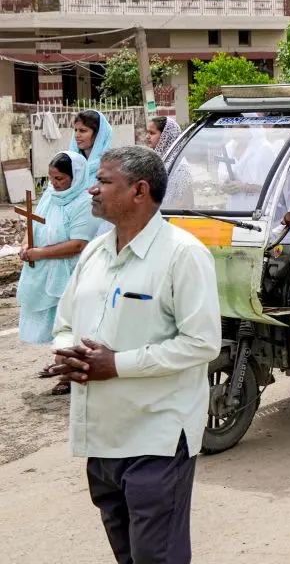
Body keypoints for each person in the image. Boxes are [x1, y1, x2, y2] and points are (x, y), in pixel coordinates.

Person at [48, 146, 220, 563]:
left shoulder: (183, 254)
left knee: (156, 557)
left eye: (104, 181)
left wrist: (116, 364)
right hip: (102, 438)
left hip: (156, 439)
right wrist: (68, 353)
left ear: (139, 191)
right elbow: (64, 323)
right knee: (128, 555)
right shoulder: (94, 252)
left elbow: (202, 342)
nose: (92, 189)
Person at [19, 152, 96, 395]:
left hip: (72, 272)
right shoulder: (51, 196)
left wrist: (40, 253)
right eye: (51, 178)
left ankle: (70, 374)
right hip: (46, 269)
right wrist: (25, 245)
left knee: (71, 323)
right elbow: (33, 224)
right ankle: (62, 363)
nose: (54, 183)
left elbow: (78, 243)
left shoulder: (85, 202)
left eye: (60, 178)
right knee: (56, 322)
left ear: (76, 177)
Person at [146, 116, 194, 208]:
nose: (147, 137)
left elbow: (187, 203)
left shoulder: (180, 167)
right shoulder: (159, 160)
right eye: (147, 132)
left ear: (165, 136)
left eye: (152, 133)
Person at [72, 109, 114, 182]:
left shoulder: (111, 170)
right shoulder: (69, 165)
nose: (76, 135)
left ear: (99, 135)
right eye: (76, 130)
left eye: (82, 131)